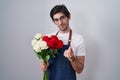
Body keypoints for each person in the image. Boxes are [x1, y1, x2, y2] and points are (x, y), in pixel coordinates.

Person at [40, 4, 85, 80]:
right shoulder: (48, 38)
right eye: (56, 20)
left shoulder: (79, 39)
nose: (60, 22)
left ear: (69, 16)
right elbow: (45, 62)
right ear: (53, 22)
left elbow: (80, 70)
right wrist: (44, 65)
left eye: (62, 18)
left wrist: (72, 58)